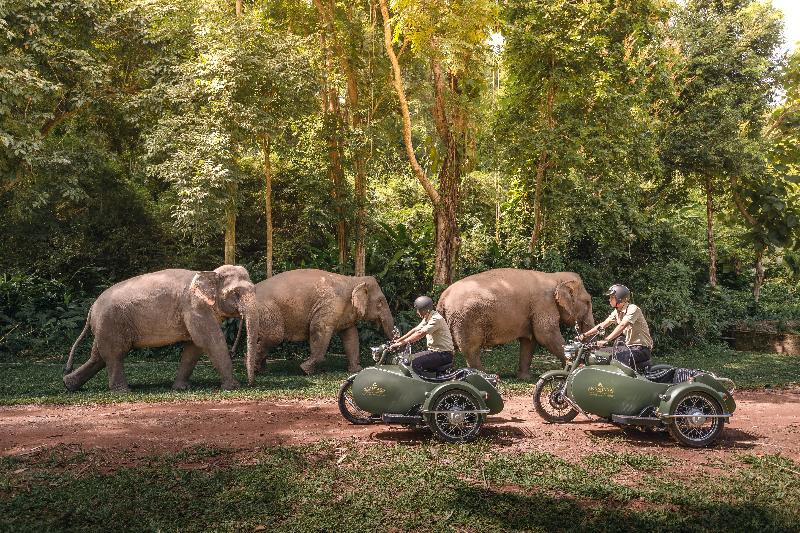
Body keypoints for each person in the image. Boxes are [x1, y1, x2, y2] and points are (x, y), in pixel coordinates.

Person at [578, 284, 654, 371]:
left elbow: (622, 325)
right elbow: (603, 325)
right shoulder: (617, 312)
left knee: (616, 358)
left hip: (641, 349)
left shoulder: (633, 309)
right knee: (600, 353)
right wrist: (584, 335)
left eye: (612, 297)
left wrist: (606, 340)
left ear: (619, 298)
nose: (609, 299)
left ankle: (621, 382)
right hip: (629, 347)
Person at [390, 295, 455, 375]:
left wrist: (401, 343)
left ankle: (423, 386)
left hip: (444, 355)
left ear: (426, 311)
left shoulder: (436, 319)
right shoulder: (428, 316)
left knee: (415, 363)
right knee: (409, 359)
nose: (417, 312)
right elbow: (416, 329)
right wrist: (398, 340)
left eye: (419, 310)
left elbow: (420, 333)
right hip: (435, 352)